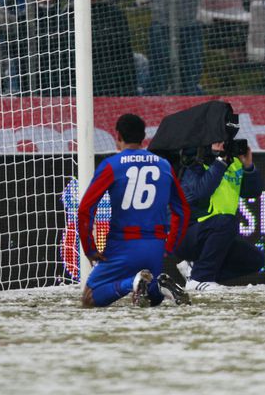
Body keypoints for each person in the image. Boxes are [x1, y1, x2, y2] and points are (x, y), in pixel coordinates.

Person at [76, 113, 191, 307]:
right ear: (143, 137)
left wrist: (89, 248)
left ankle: (132, 282)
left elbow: (86, 209)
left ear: (118, 136)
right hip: (155, 245)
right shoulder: (164, 165)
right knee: (151, 299)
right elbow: (182, 210)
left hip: (122, 245)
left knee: (89, 297)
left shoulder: (111, 165)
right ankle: (159, 286)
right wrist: (170, 246)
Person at [174, 143, 265, 292]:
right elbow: (199, 193)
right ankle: (201, 277)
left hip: (216, 234)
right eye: (219, 141)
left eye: (226, 141)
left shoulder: (235, 163)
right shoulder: (195, 161)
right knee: (227, 220)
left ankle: (195, 272)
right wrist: (220, 161)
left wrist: (248, 166)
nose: (224, 144)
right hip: (186, 233)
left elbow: (253, 192)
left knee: (255, 259)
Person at [90, 0, 136, 97]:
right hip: (89, 74)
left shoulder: (115, 13)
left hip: (113, 73)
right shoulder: (71, 13)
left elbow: (124, 46)